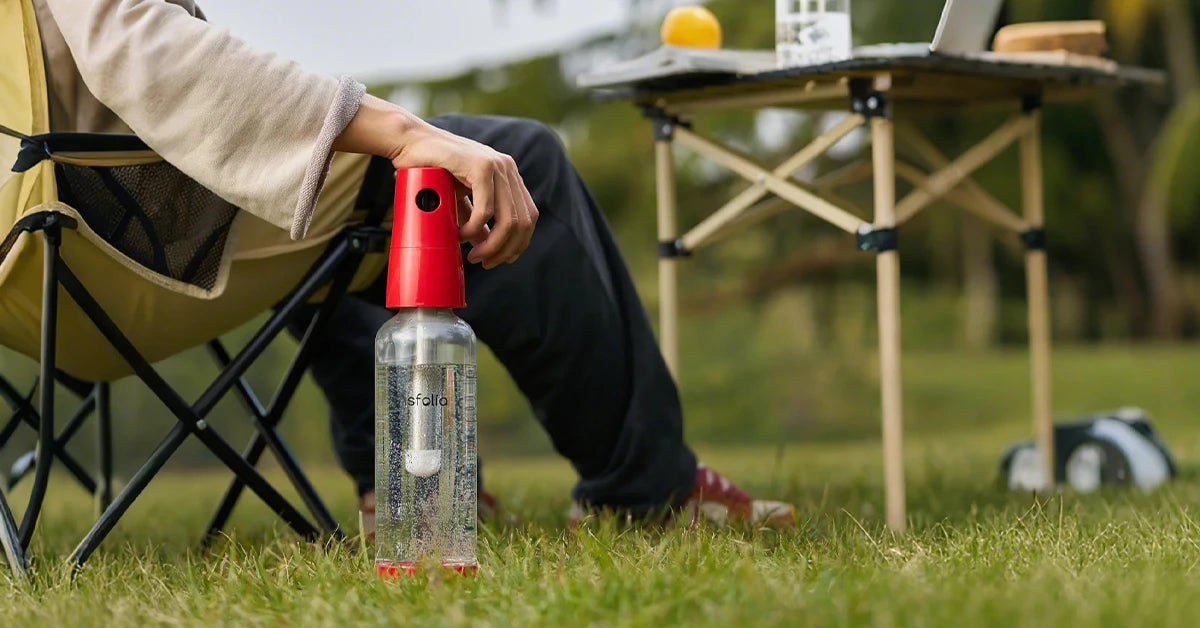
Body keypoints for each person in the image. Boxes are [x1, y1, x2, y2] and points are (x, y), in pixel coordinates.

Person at [32, 0, 794, 529]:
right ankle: (647, 497)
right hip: (130, 250)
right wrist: (396, 131)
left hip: (31, 277)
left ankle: (406, 496)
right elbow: (142, 48)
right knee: (512, 160)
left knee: (321, 193)